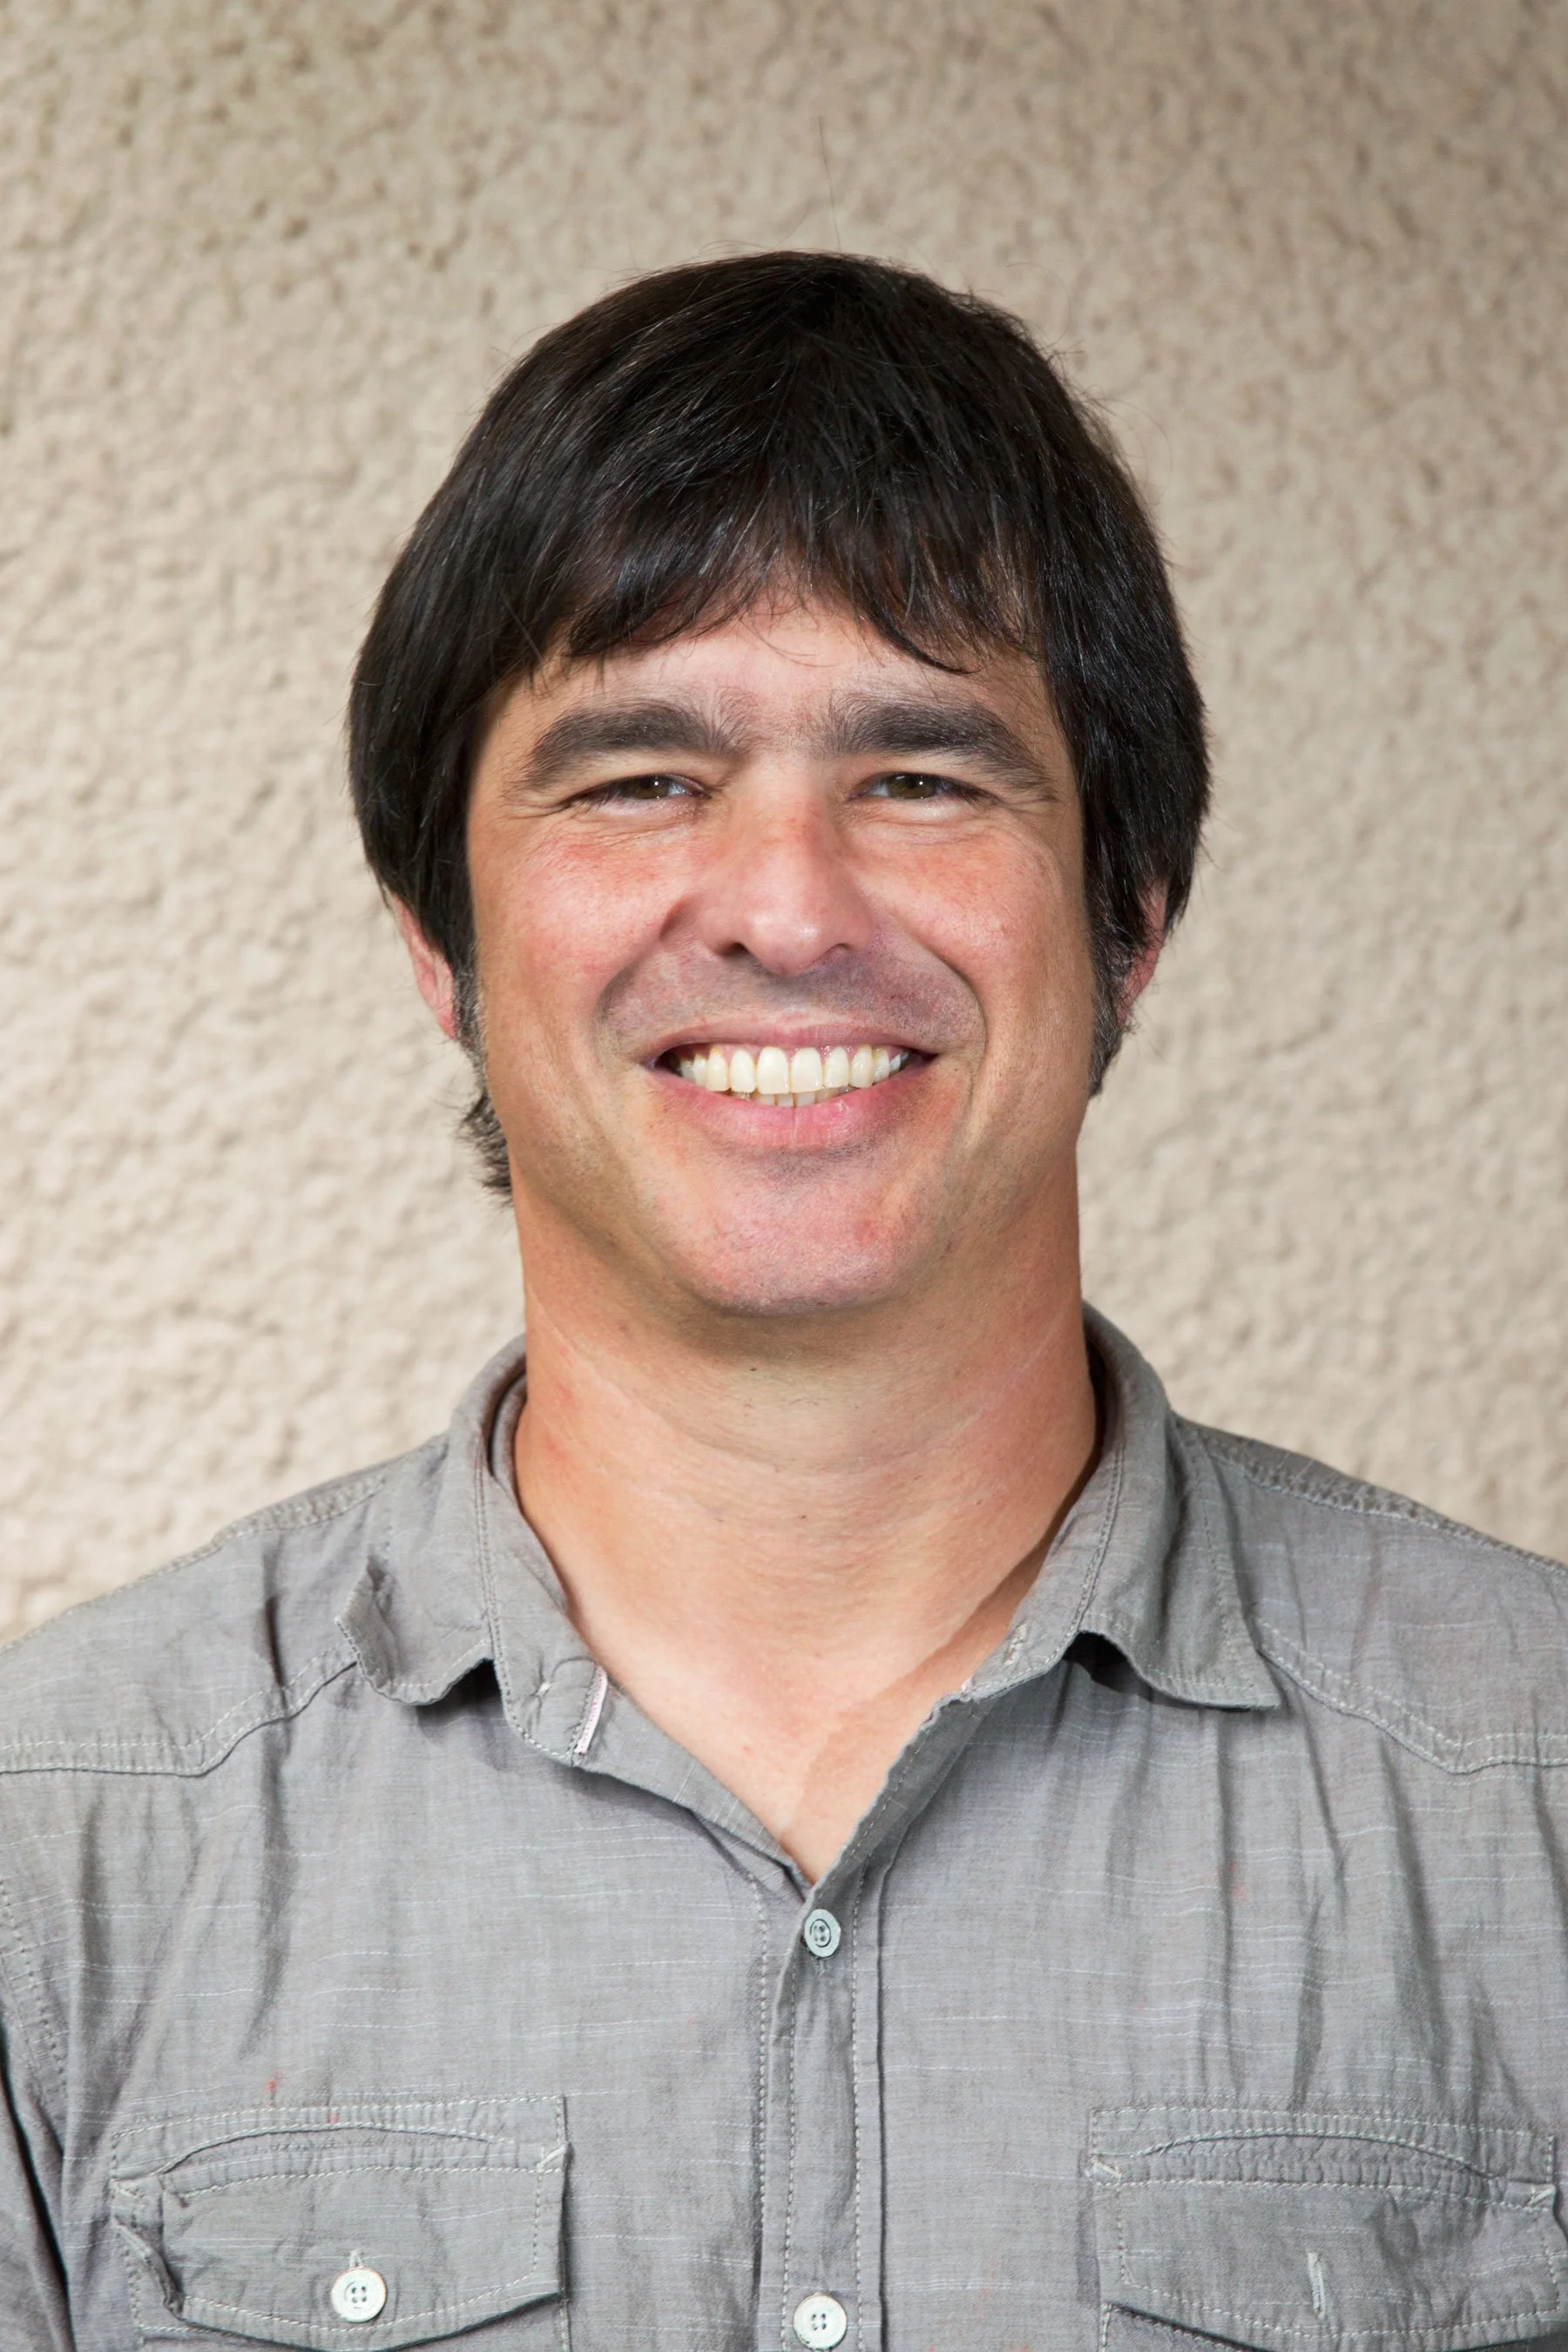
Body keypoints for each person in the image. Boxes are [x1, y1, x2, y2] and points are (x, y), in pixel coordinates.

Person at [3, 253, 1565, 2352]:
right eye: (638, 776)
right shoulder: (67, 1843)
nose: (787, 908)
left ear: (1131, 921)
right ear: (439, 939)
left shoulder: (1527, 1793)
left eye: (923, 775)